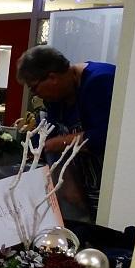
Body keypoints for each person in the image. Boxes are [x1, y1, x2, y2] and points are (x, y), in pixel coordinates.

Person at [16, 45, 116, 221]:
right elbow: (49, 133)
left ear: (52, 78)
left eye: (34, 87)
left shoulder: (100, 81)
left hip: (109, 191)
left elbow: (106, 137)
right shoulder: (57, 97)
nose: (35, 94)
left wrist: (56, 143)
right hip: (82, 190)